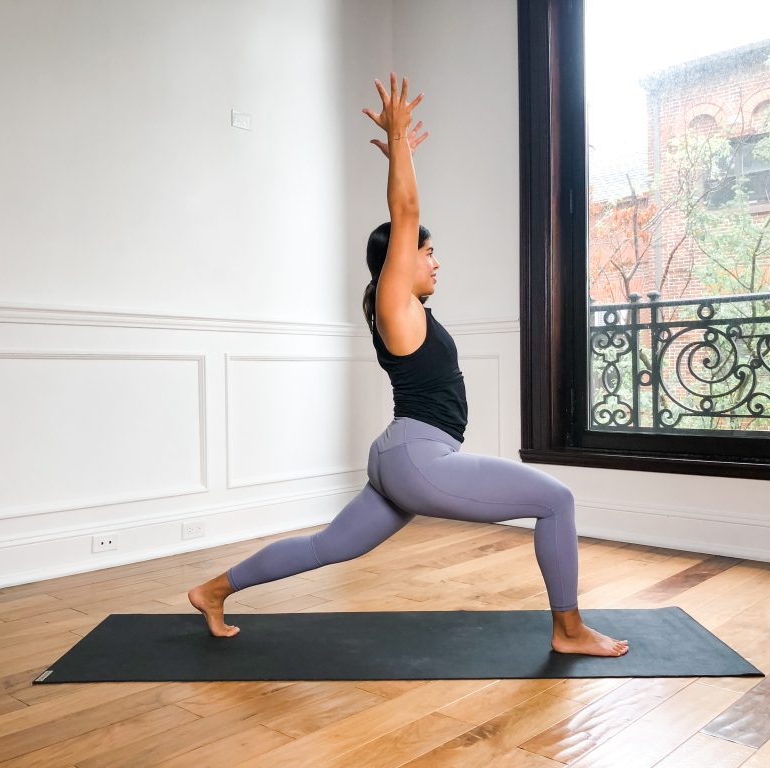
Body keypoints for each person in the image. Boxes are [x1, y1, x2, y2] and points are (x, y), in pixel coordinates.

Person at [189, 73, 629, 656]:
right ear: (398, 261)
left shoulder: (400, 310)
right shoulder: (394, 303)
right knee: (557, 501)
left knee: (328, 546)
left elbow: (408, 222)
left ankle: (213, 590)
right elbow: (405, 209)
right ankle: (569, 630)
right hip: (420, 457)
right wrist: (400, 142)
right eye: (426, 252)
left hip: (401, 455)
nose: (435, 261)